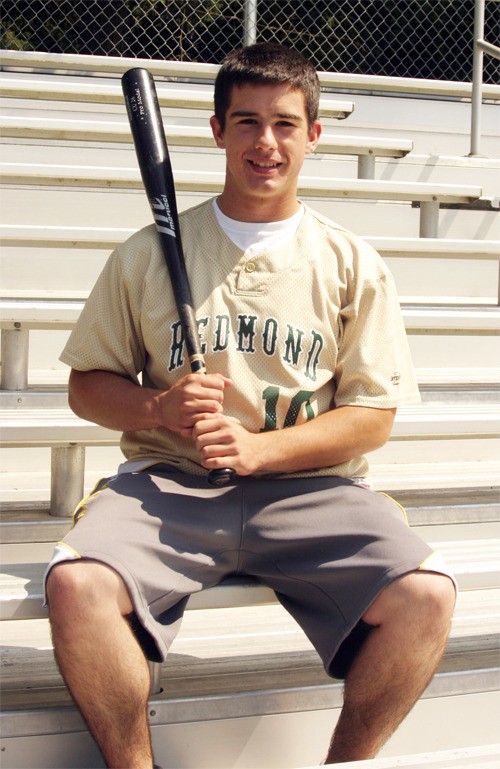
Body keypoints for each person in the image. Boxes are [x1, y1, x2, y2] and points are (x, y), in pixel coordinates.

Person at [45, 42, 456, 768]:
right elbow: (87, 387)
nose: (266, 142)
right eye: (247, 122)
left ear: (313, 135)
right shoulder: (146, 253)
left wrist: (264, 449)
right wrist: (157, 407)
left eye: (285, 123)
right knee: (76, 582)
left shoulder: (350, 261)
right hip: (170, 487)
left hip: (310, 489)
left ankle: (347, 763)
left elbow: (374, 416)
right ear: (218, 131)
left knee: (426, 597)